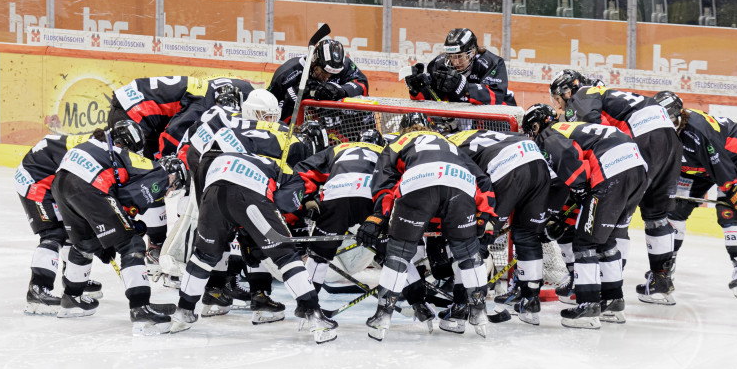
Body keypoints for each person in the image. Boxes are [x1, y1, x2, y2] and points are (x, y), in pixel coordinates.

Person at [169, 150, 338, 344]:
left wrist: (243, 229)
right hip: (249, 195)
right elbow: (282, 204)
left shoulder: (225, 155)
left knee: (203, 257)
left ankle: (183, 312)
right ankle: (314, 316)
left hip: (212, 193)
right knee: (286, 256)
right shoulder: (291, 175)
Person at [355, 112, 497, 340]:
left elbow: (384, 182)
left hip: (418, 181)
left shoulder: (398, 141)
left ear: (403, 129)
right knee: (468, 252)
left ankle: (383, 316)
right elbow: (482, 180)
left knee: (399, 253)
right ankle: (479, 313)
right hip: (460, 183)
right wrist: (484, 215)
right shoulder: (448, 143)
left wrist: (379, 216)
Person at [550, 69, 682, 306]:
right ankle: (661, 281)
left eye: (558, 100)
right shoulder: (607, 94)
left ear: (567, 91)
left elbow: (597, 134)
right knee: (656, 216)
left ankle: (606, 285)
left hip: (643, 138)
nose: (560, 109)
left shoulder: (582, 94)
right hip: (670, 139)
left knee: (617, 214)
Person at [51, 120, 183, 335]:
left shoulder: (93, 144)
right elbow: (154, 170)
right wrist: (169, 175)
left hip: (61, 185)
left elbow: (113, 200)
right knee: (131, 244)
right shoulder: (121, 151)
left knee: (85, 244)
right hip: (89, 187)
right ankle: (140, 308)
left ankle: (72, 299)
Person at [522, 104, 648, 328]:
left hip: (611, 170)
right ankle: (613, 301)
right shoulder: (572, 127)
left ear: (536, 124)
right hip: (637, 168)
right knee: (605, 239)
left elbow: (568, 160)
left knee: (585, 241)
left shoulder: (548, 134)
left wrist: (580, 188)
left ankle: (588, 306)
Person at [654, 91, 737, 297]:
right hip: (695, 167)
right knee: (674, 211)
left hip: (731, 159)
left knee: (728, 212)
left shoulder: (697, 130)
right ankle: (666, 266)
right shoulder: (659, 129)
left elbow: (719, 165)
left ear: (677, 115)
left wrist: (736, 195)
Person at [447, 128, 552, 325]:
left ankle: (464, 304)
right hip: (538, 162)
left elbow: (472, 183)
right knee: (528, 236)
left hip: (506, 168)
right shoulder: (473, 132)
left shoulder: (446, 147)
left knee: (475, 239)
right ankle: (530, 301)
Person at [277, 129, 386, 295]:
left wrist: (307, 200)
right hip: (372, 199)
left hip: (337, 196)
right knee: (395, 252)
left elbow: (302, 171)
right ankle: (405, 303)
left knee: (319, 254)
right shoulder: (386, 151)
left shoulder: (338, 148)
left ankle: (309, 306)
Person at [15, 133, 103, 314]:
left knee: (71, 230)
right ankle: (38, 290)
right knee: (53, 234)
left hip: (51, 179)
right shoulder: (90, 154)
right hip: (35, 180)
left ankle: (71, 279)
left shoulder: (89, 146)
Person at [404, 28, 516, 106]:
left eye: (459, 57)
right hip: (459, 124)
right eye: (451, 57)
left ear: (472, 52)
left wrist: (465, 88)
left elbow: (496, 96)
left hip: (494, 122)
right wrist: (417, 89)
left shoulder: (492, 63)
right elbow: (431, 100)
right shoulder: (439, 65)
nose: (455, 62)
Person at [267, 39, 369, 124]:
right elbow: (267, 106)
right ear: (314, 62)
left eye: (333, 74)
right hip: (295, 128)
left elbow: (362, 85)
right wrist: (290, 98)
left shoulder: (344, 65)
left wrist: (341, 91)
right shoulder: (287, 73)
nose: (327, 78)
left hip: (334, 126)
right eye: (324, 73)